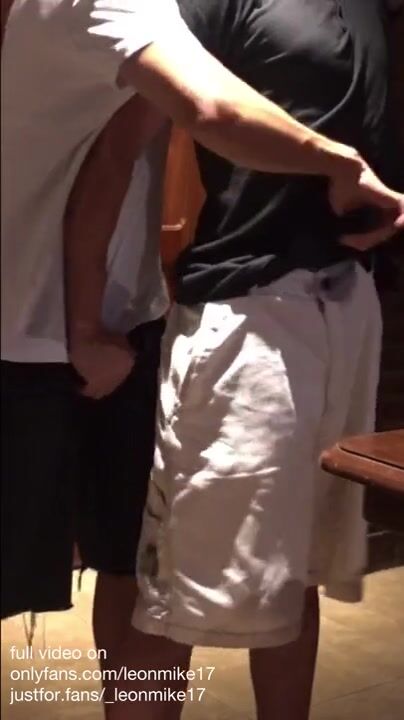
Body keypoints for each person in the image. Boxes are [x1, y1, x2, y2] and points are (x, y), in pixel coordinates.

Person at [1, 0, 403, 718]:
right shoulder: (169, 5)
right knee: (168, 591)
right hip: (172, 319)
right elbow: (154, 137)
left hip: (276, 308)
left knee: (245, 570)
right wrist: (84, 326)